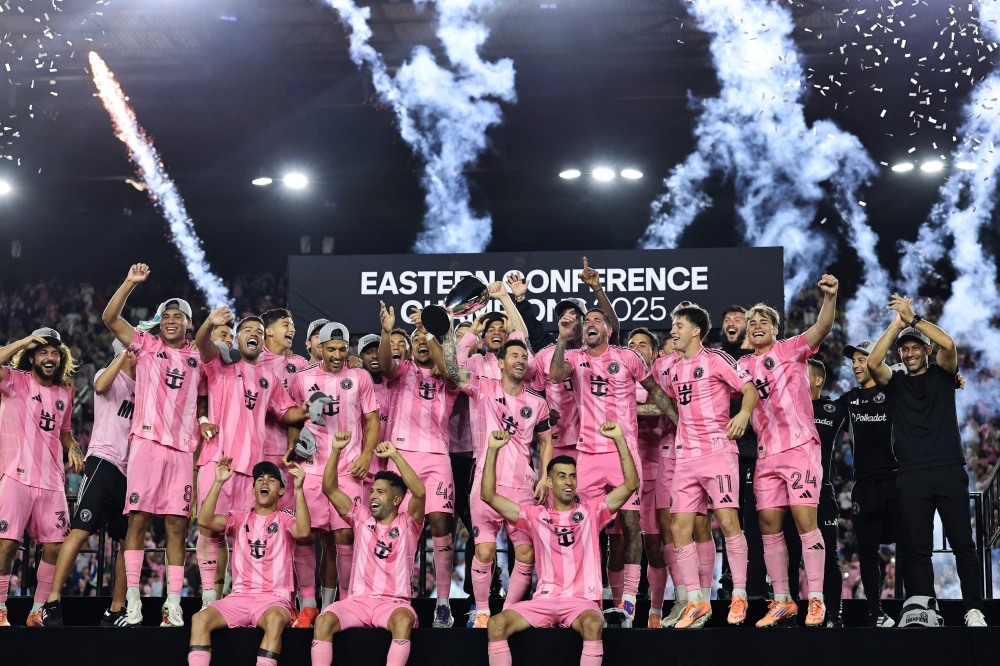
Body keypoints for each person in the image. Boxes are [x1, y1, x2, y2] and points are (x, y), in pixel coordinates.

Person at [548, 307, 678, 627]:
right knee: (580, 525)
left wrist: (681, 422)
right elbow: (556, 375)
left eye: (597, 321)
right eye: (587, 321)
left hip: (624, 452)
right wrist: (563, 339)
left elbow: (655, 391)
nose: (590, 324)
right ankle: (585, 598)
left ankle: (628, 603)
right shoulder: (575, 356)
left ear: (608, 330)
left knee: (631, 526)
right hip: (588, 454)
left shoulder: (628, 357)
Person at [866, 296, 987, 627]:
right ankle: (925, 610)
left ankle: (974, 609)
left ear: (926, 350)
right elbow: (874, 363)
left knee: (963, 544)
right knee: (917, 550)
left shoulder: (944, 374)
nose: (909, 353)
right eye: (904, 350)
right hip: (911, 475)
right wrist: (896, 325)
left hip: (948, 469)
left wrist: (914, 319)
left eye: (915, 348)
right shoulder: (896, 383)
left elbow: (948, 344)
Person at [483, 423, 639, 666]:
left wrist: (619, 439)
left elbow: (631, 485)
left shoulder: (592, 511)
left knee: (593, 624)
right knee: (495, 624)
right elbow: (488, 496)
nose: (569, 481)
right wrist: (492, 450)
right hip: (543, 601)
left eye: (573, 476)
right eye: (562, 476)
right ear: (549, 481)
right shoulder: (535, 516)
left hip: (581, 602)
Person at [102, 264, 206, 627]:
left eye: (178, 316)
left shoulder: (200, 359)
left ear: (189, 324)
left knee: (177, 527)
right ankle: (133, 602)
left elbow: (207, 397)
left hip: (181, 450)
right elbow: (110, 318)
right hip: (146, 443)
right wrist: (129, 283)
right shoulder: (146, 346)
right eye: (165, 316)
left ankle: (172, 605)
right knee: (138, 521)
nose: (170, 320)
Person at [651, 304, 758, 628]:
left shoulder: (716, 359)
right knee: (679, 529)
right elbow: (660, 396)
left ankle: (739, 594)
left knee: (727, 521)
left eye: (679, 325)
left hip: (717, 453)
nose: (673, 331)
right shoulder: (671, 367)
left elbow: (749, 389)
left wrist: (743, 414)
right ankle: (697, 601)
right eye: (673, 326)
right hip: (685, 457)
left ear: (696, 331)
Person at [741, 274, 839, 628]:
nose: (756, 325)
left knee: (804, 520)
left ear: (774, 328)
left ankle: (816, 599)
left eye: (762, 321)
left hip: (799, 448)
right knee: (768, 525)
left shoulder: (790, 348)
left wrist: (830, 297)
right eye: (751, 322)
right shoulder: (742, 366)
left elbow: (822, 328)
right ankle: (783, 599)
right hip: (767, 454)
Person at [194, 308, 307, 609]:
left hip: (252, 470)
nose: (254, 334)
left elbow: (285, 412)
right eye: (248, 330)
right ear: (237, 339)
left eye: (258, 331)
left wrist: (306, 411)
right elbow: (202, 342)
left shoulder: (269, 378)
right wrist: (210, 323)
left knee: (244, 536)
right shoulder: (219, 367)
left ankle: (238, 594)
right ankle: (208, 596)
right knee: (209, 529)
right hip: (217, 462)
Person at [440, 328, 552, 628]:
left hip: (522, 488)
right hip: (485, 483)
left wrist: (544, 477)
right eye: (513, 355)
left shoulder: (538, 403)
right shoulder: (483, 388)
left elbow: (546, 442)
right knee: (485, 550)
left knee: (526, 553)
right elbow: (451, 369)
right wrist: (467, 334)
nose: (520, 360)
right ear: (500, 362)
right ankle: (482, 612)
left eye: (523, 356)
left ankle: (510, 611)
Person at [288, 322, 381, 622]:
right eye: (332, 349)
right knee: (305, 536)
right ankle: (309, 605)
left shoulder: (360, 377)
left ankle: (345, 603)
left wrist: (366, 456)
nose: (338, 355)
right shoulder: (302, 379)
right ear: (321, 348)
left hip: (348, 470)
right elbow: (294, 417)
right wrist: (292, 448)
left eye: (342, 349)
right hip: (312, 469)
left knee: (345, 536)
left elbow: (373, 419)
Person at [42, 341, 135, 627]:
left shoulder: (146, 387)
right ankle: (52, 601)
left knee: (128, 544)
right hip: (103, 463)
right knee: (80, 531)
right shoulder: (109, 374)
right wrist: (125, 352)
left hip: (131, 473)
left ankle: (116, 610)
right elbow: (100, 385)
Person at [378, 302, 460, 627]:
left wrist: (432, 333)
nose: (422, 344)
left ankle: (443, 604)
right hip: (402, 456)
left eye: (427, 340)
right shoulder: (402, 371)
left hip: (437, 457)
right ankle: (398, 597)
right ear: (411, 348)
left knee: (441, 525)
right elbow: (385, 366)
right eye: (417, 340)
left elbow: (450, 371)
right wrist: (387, 332)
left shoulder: (448, 376)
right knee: (399, 527)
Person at [311, 436, 425, 666]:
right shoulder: (360, 517)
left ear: (396, 499)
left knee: (403, 621)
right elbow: (329, 489)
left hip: (393, 604)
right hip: (358, 603)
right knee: (323, 621)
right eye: (372, 491)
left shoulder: (409, 524)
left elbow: (420, 493)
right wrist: (335, 451)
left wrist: (394, 455)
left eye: (380, 492)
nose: (372, 495)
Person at [187, 459, 311, 666]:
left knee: (275, 620)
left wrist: (299, 490)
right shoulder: (239, 517)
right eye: (260, 479)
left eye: (272, 480)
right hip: (239, 597)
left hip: (273, 599)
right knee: (199, 619)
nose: (264, 482)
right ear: (253, 489)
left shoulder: (285, 518)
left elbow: (304, 531)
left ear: (281, 491)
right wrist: (218, 482)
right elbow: (205, 520)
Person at [0, 328, 83, 628]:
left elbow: (64, 431)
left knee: (55, 546)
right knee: (6, 544)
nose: (50, 357)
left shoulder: (65, 392)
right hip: (16, 476)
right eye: (43, 352)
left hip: (51, 481)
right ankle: (0, 609)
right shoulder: (14, 380)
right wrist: (23, 341)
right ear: (32, 357)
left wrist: (73, 446)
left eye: (55, 353)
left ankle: (37, 611)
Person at [838, 338, 901, 627]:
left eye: (861, 359)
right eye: (853, 361)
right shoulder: (849, 399)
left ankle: (915, 605)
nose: (855, 365)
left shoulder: (894, 391)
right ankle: (875, 611)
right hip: (864, 484)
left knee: (909, 545)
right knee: (866, 550)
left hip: (895, 480)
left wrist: (953, 378)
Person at [255, 308, 312, 618]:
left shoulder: (300, 365)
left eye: (292, 325)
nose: (291, 329)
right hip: (256, 457)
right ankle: (258, 594)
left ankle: (304, 602)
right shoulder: (253, 362)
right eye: (285, 324)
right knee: (259, 530)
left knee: (296, 531)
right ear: (269, 331)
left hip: (291, 460)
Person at [624, 328, 670, 628]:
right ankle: (623, 608)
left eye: (643, 344)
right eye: (632, 344)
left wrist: (631, 409)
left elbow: (665, 409)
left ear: (653, 353)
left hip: (654, 470)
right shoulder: (618, 378)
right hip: (622, 471)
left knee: (654, 545)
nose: (636, 348)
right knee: (621, 544)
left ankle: (656, 609)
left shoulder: (659, 379)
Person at [806, 358, 846, 628]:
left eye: (804, 374)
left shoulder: (833, 409)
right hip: (790, 492)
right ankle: (790, 616)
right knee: (790, 554)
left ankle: (833, 615)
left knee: (829, 555)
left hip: (822, 491)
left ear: (818, 380)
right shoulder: (786, 406)